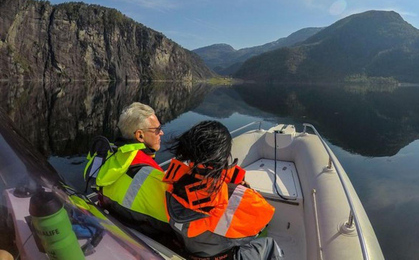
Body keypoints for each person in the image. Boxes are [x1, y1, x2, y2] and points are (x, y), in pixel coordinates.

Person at [163, 120, 284, 260]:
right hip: (223, 256)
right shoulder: (237, 197)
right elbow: (262, 222)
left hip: (188, 251)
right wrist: (243, 188)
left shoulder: (173, 184)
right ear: (224, 156)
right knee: (269, 244)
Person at [84, 102, 172, 241]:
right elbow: (171, 220)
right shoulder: (152, 176)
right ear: (140, 136)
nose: (161, 132)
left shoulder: (110, 159)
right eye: (157, 129)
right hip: (145, 237)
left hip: (116, 221)